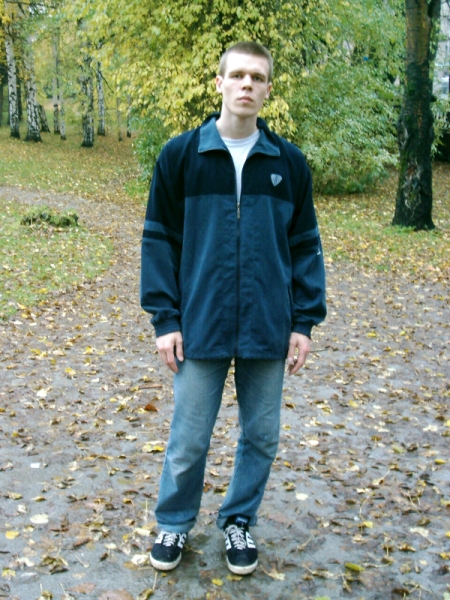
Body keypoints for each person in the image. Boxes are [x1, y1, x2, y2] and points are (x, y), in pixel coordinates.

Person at [140, 41, 326, 575]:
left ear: (268, 90)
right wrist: (165, 319)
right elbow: (158, 241)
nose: (247, 84)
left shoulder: (288, 163)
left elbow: (305, 246)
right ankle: (174, 524)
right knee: (189, 437)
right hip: (200, 322)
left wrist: (304, 321)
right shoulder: (181, 156)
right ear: (219, 83)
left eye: (257, 77)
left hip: (269, 325)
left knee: (262, 436)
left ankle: (238, 521)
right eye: (238, 75)